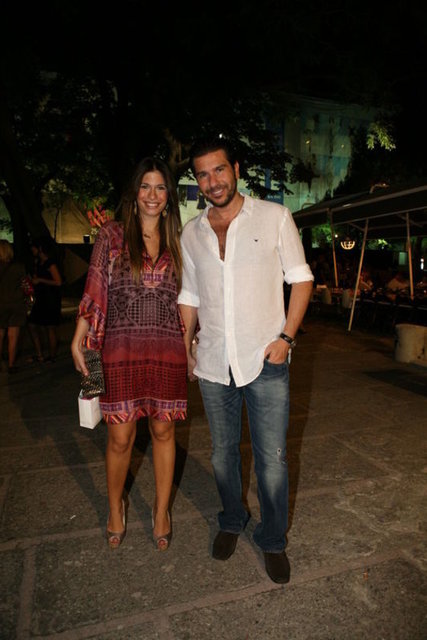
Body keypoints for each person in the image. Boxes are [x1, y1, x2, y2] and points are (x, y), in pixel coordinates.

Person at [178, 138, 313, 583]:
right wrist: (185, 346)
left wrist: (286, 338)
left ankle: (272, 539)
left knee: (272, 459)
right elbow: (190, 295)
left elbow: (301, 279)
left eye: (219, 170)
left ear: (235, 168)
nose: (212, 182)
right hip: (213, 361)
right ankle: (232, 519)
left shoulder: (274, 217)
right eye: (202, 174)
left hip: (265, 358)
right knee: (222, 455)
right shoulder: (191, 233)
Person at [71, 157, 187, 551]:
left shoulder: (179, 241)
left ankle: (161, 510)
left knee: (164, 431)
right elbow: (95, 288)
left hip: (168, 351)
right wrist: (80, 336)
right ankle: (115, 507)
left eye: (160, 187)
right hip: (120, 351)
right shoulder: (112, 235)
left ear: (169, 196)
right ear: (134, 193)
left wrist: (192, 345)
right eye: (145, 186)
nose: (153, 195)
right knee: (120, 436)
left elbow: (191, 300)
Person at [27, 237, 63, 362]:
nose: (32, 250)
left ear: (40, 248)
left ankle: (52, 356)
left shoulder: (50, 263)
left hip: (50, 298)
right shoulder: (38, 262)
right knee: (32, 324)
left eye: (34, 248)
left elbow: (58, 282)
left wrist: (41, 280)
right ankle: (40, 354)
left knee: (50, 327)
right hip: (41, 298)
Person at [0, 240, 27, 373]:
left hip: (1, 303)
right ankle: (11, 364)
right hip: (16, 303)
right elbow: (25, 284)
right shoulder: (19, 267)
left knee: (0, 333)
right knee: (13, 335)